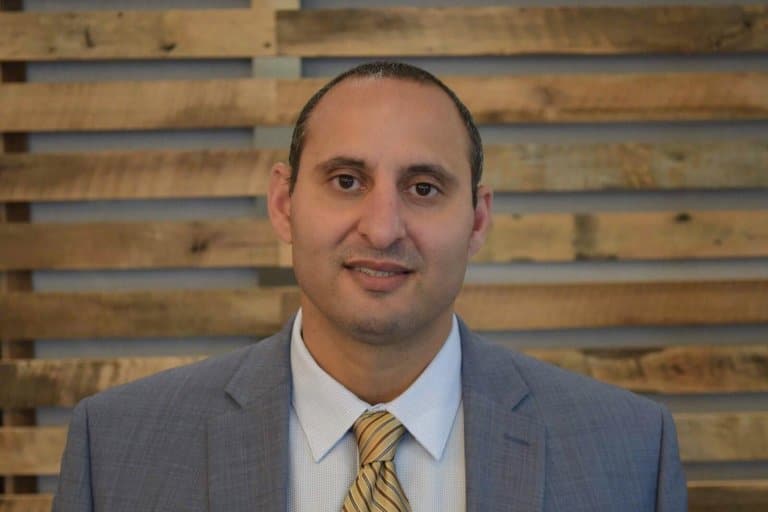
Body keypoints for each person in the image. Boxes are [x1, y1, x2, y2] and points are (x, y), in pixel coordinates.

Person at [53, 61, 687, 511]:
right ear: (283, 203)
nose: (383, 229)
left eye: (423, 188)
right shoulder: (115, 449)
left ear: (478, 220)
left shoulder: (629, 453)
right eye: (347, 181)